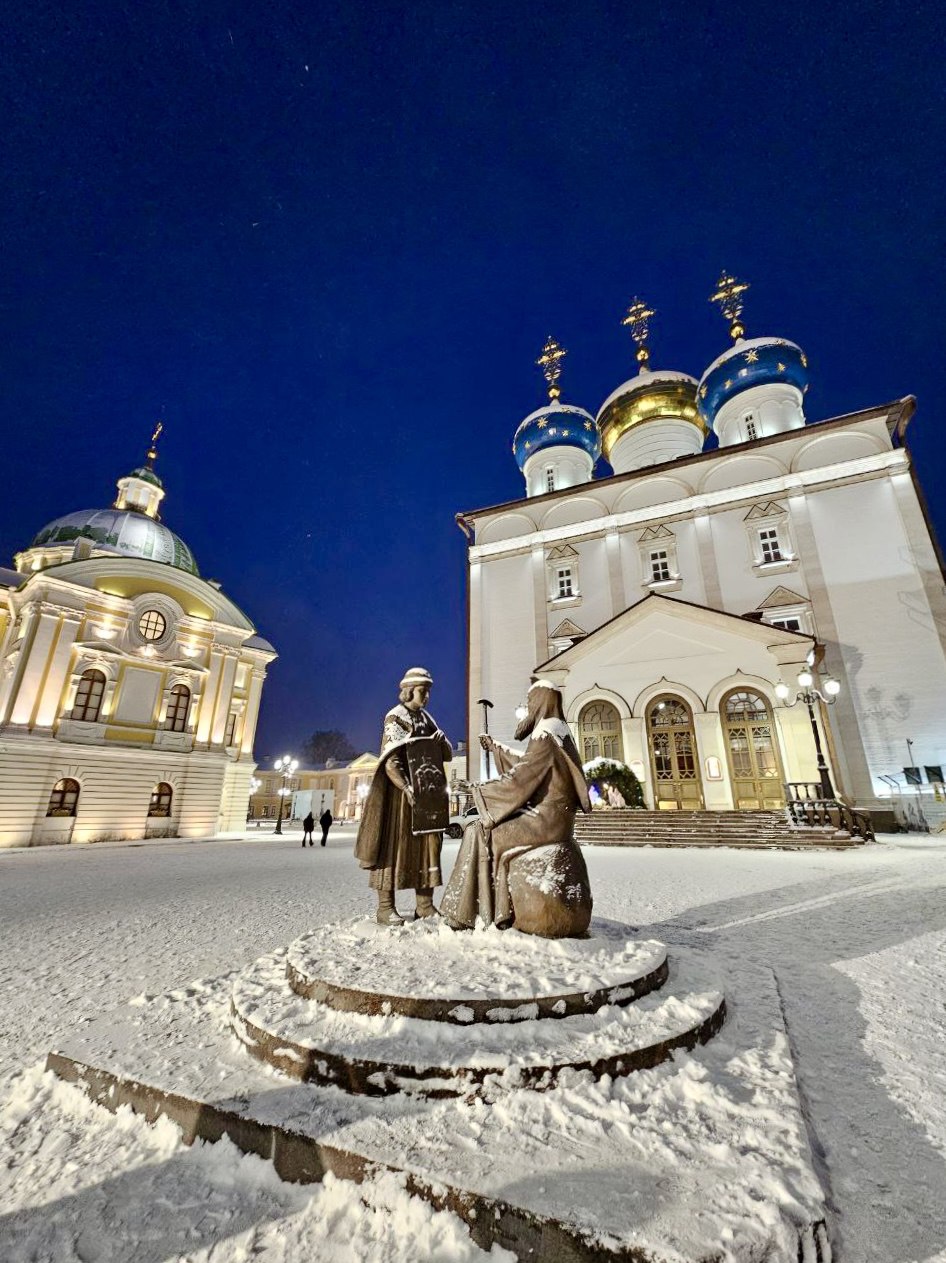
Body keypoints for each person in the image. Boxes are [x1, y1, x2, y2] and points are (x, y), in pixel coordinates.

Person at [440, 679, 590, 931]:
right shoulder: (557, 730)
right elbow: (529, 766)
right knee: (483, 828)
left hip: (544, 822)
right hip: (553, 819)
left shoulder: (544, 735)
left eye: (531, 702)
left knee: (478, 831)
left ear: (542, 702)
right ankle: (486, 910)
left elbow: (520, 779)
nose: (528, 708)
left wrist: (474, 788)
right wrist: (496, 748)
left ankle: (465, 914)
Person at [355, 667, 452, 924]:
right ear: (409, 690)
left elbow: (446, 754)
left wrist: (441, 742)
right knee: (393, 850)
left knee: (427, 849)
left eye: (428, 692)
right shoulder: (395, 717)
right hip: (399, 800)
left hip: (425, 797)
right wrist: (406, 787)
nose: (427, 697)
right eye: (423, 691)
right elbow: (390, 760)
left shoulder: (426, 718)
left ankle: (425, 905)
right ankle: (385, 908)